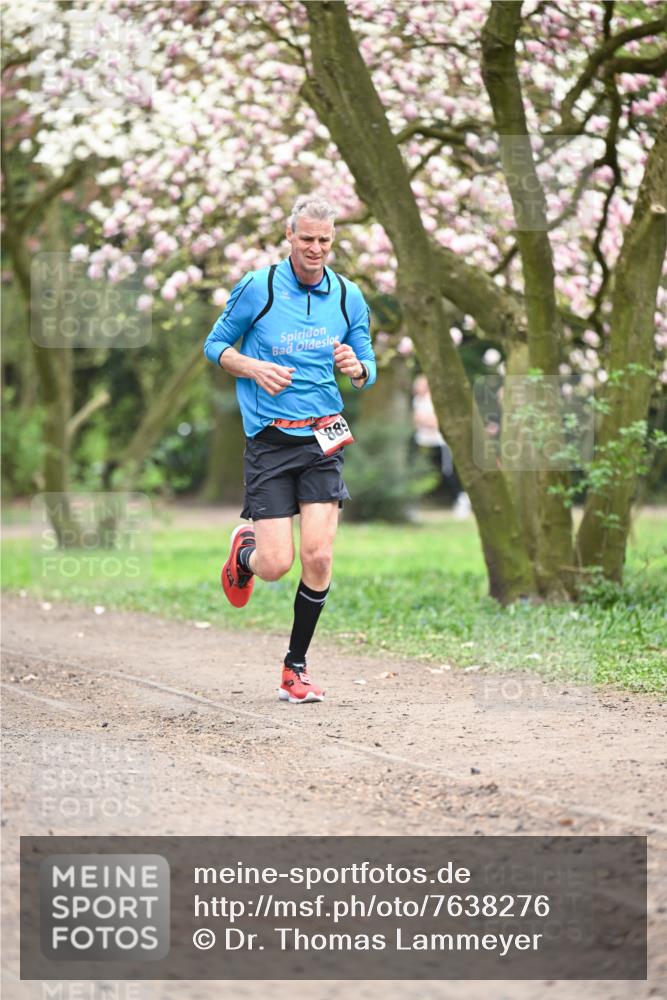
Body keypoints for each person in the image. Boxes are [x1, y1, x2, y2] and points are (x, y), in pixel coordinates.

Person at [203, 194, 376, 703]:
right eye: (307, 239)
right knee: (277, 565)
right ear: (289, 236)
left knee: (319, 556)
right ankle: (246, 552)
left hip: (323, 437)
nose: (316, 248)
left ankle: (294, 668)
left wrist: (358, 368)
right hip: (270, 442)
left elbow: (367, 362)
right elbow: (216, 347)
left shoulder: (348, 296)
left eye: (324, 240)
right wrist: (253, 367)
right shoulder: (259, 288)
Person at [412, 373, 471, 517]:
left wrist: (425, 421)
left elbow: (436, 422)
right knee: (422, 471)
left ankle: (461, 499)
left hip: (439, 441)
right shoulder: (417, 401)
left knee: (447, 472)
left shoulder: (435, 400)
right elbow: (415, 420)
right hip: (423, 440)